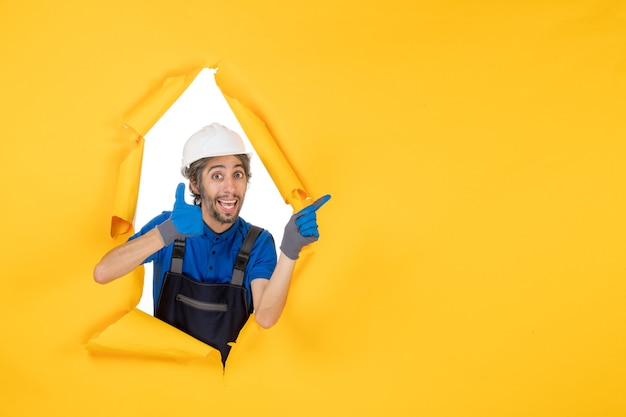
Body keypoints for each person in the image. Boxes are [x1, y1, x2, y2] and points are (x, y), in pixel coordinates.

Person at [94, 123, 330, 364]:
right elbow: (103, 272)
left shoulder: (257, 242)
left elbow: (266, 318)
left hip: (226, 389)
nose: (230, 188)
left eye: (238, 174)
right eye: (217, 176)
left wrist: (289, 251)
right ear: (195, 184)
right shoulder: (168, 226)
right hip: (167, 383)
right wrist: (167, 232)